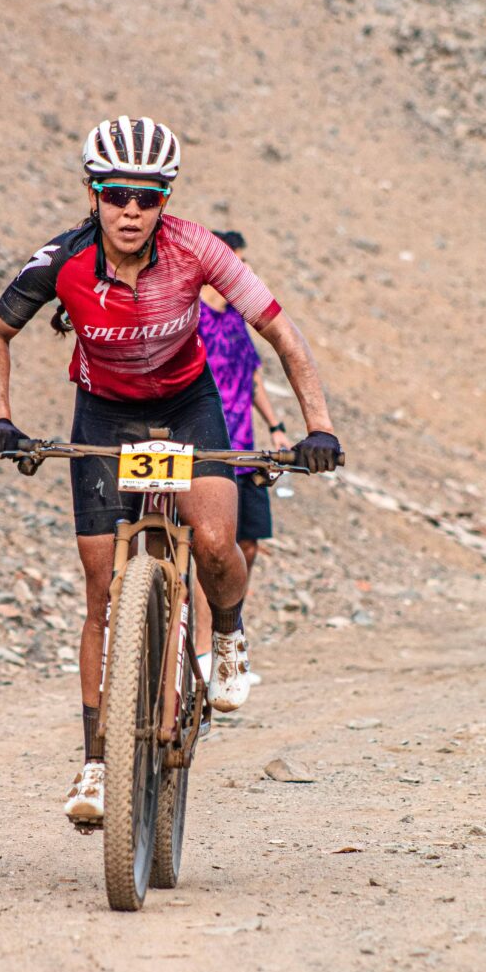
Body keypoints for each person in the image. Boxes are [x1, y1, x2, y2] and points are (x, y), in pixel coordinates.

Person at [0, 116, 342, 822]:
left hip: (186, 407)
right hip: (104, 413)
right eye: (117, 195)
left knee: (216, 543)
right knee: (101, 594)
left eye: (148, 197)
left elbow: (280, 332)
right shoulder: (62, 260)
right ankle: (95, 766)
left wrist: (318, 426)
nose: (131, 211)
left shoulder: (196, 248)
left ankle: (227, 634)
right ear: (94, 195)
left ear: (164, 201)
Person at [194, 229, 291, 684]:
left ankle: (227, 634)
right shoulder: (190, 313)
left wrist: (276, 425)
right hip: (202, 444)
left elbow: (251, 378)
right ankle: (203, 649)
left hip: (245, 448)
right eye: (238, 260)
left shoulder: (236, 316)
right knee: (210, 547)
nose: (245, 268)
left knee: (247, 544)